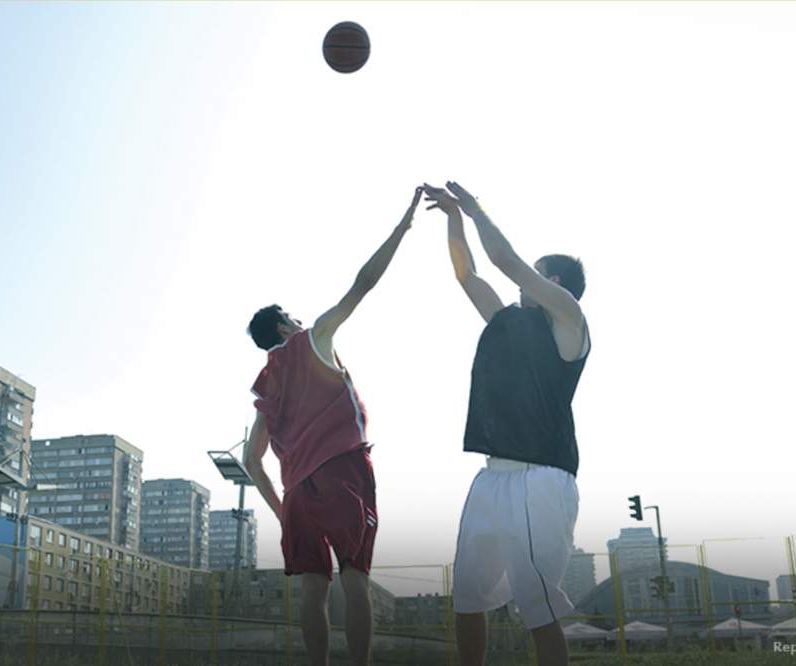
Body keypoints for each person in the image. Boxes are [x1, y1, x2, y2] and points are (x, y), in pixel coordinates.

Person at [242, 186, 423, 666]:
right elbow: (363, 283)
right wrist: (402, 228)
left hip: (298, 491)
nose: (300, 320)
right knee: (356, 579)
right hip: (342, 471)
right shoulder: (312, 339)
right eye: (293, 317)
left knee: (313, 593)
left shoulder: (265, 386)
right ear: (284, 327)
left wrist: (283, 510)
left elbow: (250, 460)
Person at [423, 181, 589, 666]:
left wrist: (476, 209)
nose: (522, 282)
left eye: (535, 276)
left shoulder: (568, 318)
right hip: (492, 477)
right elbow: (468, 273)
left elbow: (503, 261)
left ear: (554, 284)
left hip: (542, 478)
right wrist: (453, 217)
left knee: (537, 607)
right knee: (467, 597)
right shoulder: (506, 321)